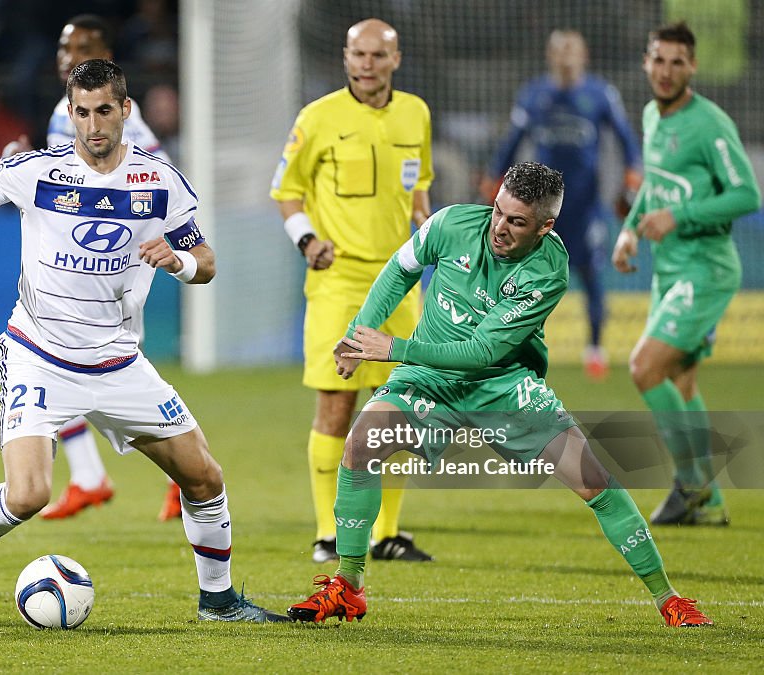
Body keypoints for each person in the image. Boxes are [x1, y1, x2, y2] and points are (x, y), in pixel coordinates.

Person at [0, 59, 288, 624]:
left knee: (204, 476)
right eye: (82, 112)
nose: (94, 125)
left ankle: (219, 602)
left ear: (125, 111)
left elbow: (206, 261)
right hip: (39, 356)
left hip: (118, 364)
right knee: (28, 495)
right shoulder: (37, 172)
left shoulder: (160, 182)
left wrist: (180, 261)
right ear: (70, 113)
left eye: (105, 111)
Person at [287, 161, 713, 628]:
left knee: (595, 481)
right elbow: (398, 271)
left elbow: (484, 350)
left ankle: (668, 598)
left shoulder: (549, 269)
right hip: (430, 378)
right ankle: (348, 587)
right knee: (361, 444)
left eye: (517, 221)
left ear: (545, 226)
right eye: (498, 211)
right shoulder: (450, 224)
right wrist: (355, 337)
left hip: (503, 383)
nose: (500, 228)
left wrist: (395, 348)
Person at [5, 14, 181, 523]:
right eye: (63, 46)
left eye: (81, 46)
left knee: (116, 373)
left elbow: (155, 169)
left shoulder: (124, 115)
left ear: (104, 52)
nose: (68, 54)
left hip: (115, 271)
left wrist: (160, 241)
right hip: (74, 269)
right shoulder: (68, 108)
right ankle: (88, 478)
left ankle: (179, 476)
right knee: (60, 361)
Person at [270, 18, 433, 564]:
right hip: (338, 281)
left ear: (395, 59)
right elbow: (287, 192)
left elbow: (418, 193)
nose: (366, 64)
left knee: (403, 408)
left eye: (376, 55)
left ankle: (387, 533)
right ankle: (328, 533)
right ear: (345, 58)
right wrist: (307, 239)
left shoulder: (416, 114)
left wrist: (427, 231)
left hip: (402, 280)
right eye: (357, 54)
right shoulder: (317, 119)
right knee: (336, 405)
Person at [611, 21, 761, 527]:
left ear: (692, 67)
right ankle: (710, 503)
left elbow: (747, 195)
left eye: (678, 62)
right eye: (660, 60)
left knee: (644, 367)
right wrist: (630, 229)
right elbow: (655, 185)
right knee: (681, 380)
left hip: (706, 268)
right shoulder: (653, 115)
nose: (667, 71)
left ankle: (691, 484)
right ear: (646, 63)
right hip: (669, 269)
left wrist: (681, 216)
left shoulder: (710, 123)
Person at [480, 29, 642, 380]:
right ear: (550, 56)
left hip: (584, 205)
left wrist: (632, 176)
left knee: (589, 271)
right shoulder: (534, 95)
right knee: (517, 272)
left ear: (584, 55)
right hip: (540, 205)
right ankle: (504, 345)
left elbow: (627, 139)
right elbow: (512, 141)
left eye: (572, 50)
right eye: (560, 50)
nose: (566, 57)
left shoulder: (600, 94)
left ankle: (595, 348)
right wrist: (493, 178)